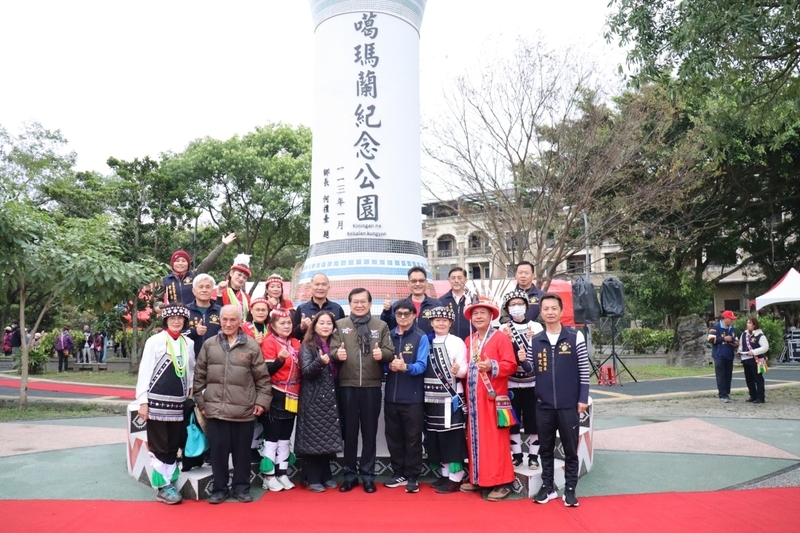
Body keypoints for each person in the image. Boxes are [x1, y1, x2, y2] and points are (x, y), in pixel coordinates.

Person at [193, 304, 272, 504]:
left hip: (243, 411)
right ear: (220, 321)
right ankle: (219, 489)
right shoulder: (209, 344)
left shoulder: (252, 346)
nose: (228, 324)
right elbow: (198, 379)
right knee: (218, 454)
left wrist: (262, 402)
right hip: (216, 411)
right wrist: (202, 403)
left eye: (232, 320)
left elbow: (262, 379)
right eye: (224, 320)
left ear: (239, 322)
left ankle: (241, 488)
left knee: (242, 454)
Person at [330, 288, 394, 494]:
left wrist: (381, 354)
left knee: (369, 433)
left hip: (372, 386)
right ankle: (349, 476)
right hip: (346, 386)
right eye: (355, 302)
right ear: (349, 304)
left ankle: (368, 476)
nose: (359, 305)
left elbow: (390, 352)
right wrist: (335, 354)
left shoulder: (380, 325)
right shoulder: (340, 326)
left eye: (363, 302)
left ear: (369, 304)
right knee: (349, 434)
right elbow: (330, 350)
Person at [530, 293, 590, 508]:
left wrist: (582, 398)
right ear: (541, 312)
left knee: (570, 449)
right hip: (543, 405)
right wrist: (521, 361)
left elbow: (584, 370)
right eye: (545, 309)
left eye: (554, 308)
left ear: (561, 311)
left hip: (568, 404)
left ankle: (571, 489)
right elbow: (530, 371)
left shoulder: (575, 337)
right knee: (545, 449)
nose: (550, 312)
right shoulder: (535, 340)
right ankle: (548, 487)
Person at [135, 303, 196, 505]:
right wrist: (143, 401)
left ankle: (170, 479)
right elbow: (145, 371)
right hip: (157, 402)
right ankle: (162, 486)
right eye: (172, 319)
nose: (176, 321)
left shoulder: (188, 343)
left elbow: (191, 369)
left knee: (173, 443)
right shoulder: (155, 341)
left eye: (180, 318)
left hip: (178, 402)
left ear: (185, 321)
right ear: (166, 321)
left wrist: (191, 389)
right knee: (159, 443)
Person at [460, 299, 518, 501]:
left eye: (482, 313)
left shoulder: (501, 338)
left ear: (491, 315)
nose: (478, 317)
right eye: (475, 314)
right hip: (474, 402)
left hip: (493, 399)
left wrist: (492, 366)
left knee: (496, 441)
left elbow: (511, 365)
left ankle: (503, 481)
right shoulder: (469, 340)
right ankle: (479, 478)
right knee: (476, 439)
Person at [383, 300, 429, 494]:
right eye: (399, 314)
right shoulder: (389, 335)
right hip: (391, 397)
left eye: (407, 314)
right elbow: (382, 363)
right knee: (394, 437)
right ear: (394, 315)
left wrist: (406, 367)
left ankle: (413, 476)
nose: (403, 317)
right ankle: (398, 473)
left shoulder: (421, 337)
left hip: (413, 397)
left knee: (412, 438)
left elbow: (422, 365)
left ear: (414, 315)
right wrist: (389, 366)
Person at [295, 311, 343, 492]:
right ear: (314, 326)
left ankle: (325, 474)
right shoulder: (307, 345)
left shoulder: (335, 344)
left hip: (330, 397)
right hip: (313, 398)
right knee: (313, 439)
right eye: (321, 323)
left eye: (329, 323)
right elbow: (306, 371)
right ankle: (312, 478)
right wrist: (320, 362)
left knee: (326, 439)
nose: (325, 326)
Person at [424, 306, 468, 494]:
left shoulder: (457, 342)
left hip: (451, 396)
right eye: (437, 320)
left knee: (452, 436)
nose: (440, 323)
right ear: (431, 322)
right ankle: (444, 474)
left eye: (444, 320)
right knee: (436, 436)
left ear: (450, 323)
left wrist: (459, 370)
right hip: (430, 397)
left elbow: (465, 367)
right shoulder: (426, 341)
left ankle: (455, 477)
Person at [257, 308, 302, 492]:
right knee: (272, 437)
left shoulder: (295, 343)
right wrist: (280, 360)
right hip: (275, 392)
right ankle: (268, 476)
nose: (286, 326)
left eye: (289, 323)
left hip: (294, 394)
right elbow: (265, 372)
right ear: (273, 325)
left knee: (285, 437)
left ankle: (282, 472)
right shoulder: (268, 342)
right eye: (282, 323)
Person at [500, 289, 544, 469]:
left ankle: (533, 456)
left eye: (520, 304)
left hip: (533, 382)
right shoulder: (503, 329)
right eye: (512, 305)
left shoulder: (537, 327)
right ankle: (517, 454)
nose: (516, 308)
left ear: (526, 306)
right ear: (507, 308)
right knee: (513, 421)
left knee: (534, 421)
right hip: (512, 383)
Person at [162, 233, 237, 305]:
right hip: (175, 317)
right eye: (177, 261)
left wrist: (223, 244)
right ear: (172, 264)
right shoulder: (165, 280)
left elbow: (208, 261)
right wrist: (159, 306)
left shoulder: (194, 275)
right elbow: (157, 301)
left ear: (188, 264)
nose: (180, 263)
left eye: (183, 261)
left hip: (194, 315)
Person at [381, 266, 442, 335]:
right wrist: (387, 311)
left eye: (421, 281)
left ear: (426, 283)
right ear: (408, 284)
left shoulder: (437, 306)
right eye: (414, 281)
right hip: (404, 344)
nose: (417, 284)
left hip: (430, 344)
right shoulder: (398, 306)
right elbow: (388, 327)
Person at [292, 273, 345, 340]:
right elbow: (293, 336)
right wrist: (301, 327)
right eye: (317, 284)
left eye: (324, 284)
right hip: (309, 349)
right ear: (310, 287)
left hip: (332, 349)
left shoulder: (337, 308)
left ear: (328, 287)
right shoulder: (302, 309)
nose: (320, 288)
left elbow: (343, 333)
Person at [185, 274, 222, 359]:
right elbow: (178, 333)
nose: (204, 290)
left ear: (213, 290)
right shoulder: (185, 310)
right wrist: (194, 332)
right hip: (189, 360)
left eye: (208, 287)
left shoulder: (221, 311)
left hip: (214, 361)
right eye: (201, 287)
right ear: (194, 291)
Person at [708, 310, 739, 403]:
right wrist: (723, 339)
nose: (732, 321)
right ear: (725, 318)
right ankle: (722, 394)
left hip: (729, 355)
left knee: (728, 375)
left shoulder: (732, 329)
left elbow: (735, 339)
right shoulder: (716, 327)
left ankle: (727, 393)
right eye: (731, 319)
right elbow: (710, 339)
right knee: (720, 375)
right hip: (719, 355)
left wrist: (735, 343)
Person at [438, 267, 477, 340]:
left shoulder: (474, 300)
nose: (456, 281)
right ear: (449, 280)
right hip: (448, 343)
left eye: (459, 278)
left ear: (465, 280)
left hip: (471, 342)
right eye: (453, 278)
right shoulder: (441, 301)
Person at [739, 317, 769, 404]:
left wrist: (754, 352)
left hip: (759, 360)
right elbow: (741, 345)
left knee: (758, 379)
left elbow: (765, 347)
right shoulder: (744, 334)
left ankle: (761, 397)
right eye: (747, 322)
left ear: (754, 325)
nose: (747, 324)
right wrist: (740, 351)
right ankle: (753, 395)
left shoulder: (760, 335)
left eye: (749, 323)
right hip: (747, 360)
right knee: (749, 378)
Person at [218, 254, 252, 320]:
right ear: (231, 273)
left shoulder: (246, 297)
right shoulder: (220, 291)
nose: (241, 279)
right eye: (239, 275)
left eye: (244, 277)